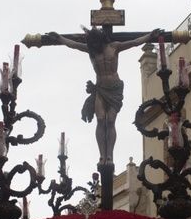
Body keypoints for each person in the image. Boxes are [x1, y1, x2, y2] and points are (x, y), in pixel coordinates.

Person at [45, 26, 162, 165]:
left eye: (96, 43)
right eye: (92, 43)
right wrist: (59, 38)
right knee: (100, 119)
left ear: (101, 40)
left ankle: (109, 155)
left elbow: (135, 42)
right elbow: (74, 45)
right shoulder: (91, 51)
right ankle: (102, 155)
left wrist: (150, 36)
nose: (95, 46)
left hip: (115, 88)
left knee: (110, 121)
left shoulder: (114, 47)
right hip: (100, 89)